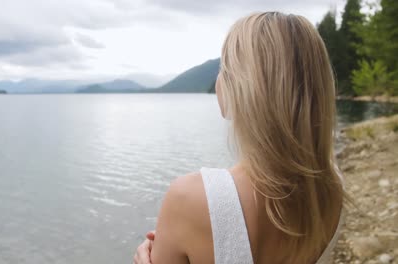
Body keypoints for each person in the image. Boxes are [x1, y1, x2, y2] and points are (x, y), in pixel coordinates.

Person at [134, 12, 346, 264]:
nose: (218, 79)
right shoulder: (333, 186)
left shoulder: (191, 198)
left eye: (224, 67)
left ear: (245, 89)